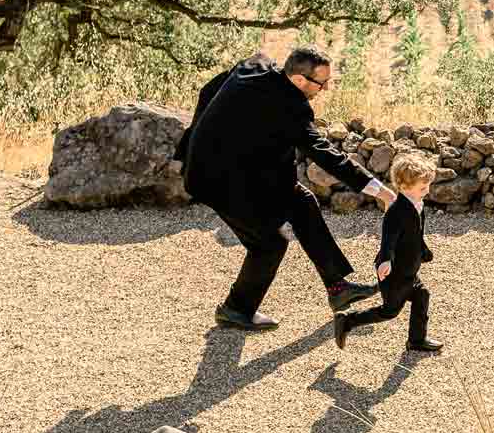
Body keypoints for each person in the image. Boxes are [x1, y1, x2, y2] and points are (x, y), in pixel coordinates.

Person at [176, 46, 395, 330]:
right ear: (300, 79)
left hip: (243, 170)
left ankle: (337, 287)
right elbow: (327, 155)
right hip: (217, 182)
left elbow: (208, 91)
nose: (326, 88)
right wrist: (382, 192)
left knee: (300, 200)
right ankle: (236, 308)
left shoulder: (255, 64)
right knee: (269, 243)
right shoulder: (292, 108)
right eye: (322, 83)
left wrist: (197, 138)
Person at [333, 152, 443, 354]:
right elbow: (388, 239)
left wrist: (423, 250)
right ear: (403, 186)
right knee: (389, 311)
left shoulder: (417, 204)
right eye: (422, 187)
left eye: (428, 186)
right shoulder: (396, 211)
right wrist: (385, 260)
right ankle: (347, 321)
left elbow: (415, 233)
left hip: (408, 268)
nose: (427, 191)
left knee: (422, 295)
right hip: (394, 272)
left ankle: (417, 340)